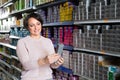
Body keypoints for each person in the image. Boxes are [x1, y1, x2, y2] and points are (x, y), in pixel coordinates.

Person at [16, 12, 64, 80]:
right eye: (32, 25)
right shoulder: (22, 42)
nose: (36, 28)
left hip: (48, 78)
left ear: (41, 24)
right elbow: (26, 65)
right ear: (27, 27)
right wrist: (44, 61)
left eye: (38, 24)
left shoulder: (48, 41)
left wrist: (57, 63)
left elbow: (52, 65)